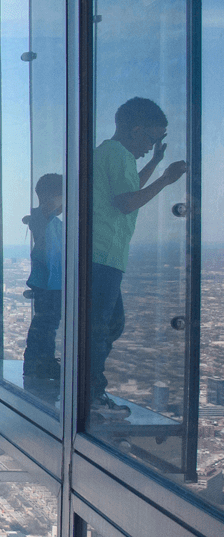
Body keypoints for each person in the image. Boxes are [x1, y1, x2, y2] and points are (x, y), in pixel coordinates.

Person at [90, 97, 187, 419]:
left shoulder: (109, 153)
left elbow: (127, 189)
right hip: (103, 255)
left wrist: (156, 163)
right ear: (136, 130)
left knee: (109, 324)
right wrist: (166, 180)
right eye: (152, 139)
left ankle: (89, 390)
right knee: (103, 327)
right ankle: (90, 396)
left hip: (101, 255)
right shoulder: (117, 155)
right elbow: (127, 202)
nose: (152, 145)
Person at [22, 173, 64, 399]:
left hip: (50, 283)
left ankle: (41, 362)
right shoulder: (41, 218)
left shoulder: (49, 220)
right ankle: (40, 362)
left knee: (47, 324)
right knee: (46, 325)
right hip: (49, 284)